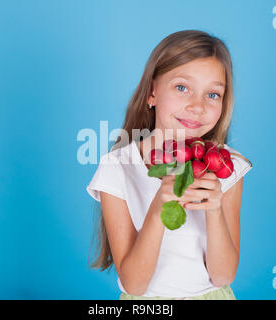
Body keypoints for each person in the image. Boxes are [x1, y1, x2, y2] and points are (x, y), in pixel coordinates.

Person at [86, 30, 253, 300]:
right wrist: (159, 206)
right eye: (182, 88)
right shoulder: (117, 168)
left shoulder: (227, 166)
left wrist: (214, 209)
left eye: (213, 94)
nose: (197, 106)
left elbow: (223, 276)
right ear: (152, 92)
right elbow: (134, 285)